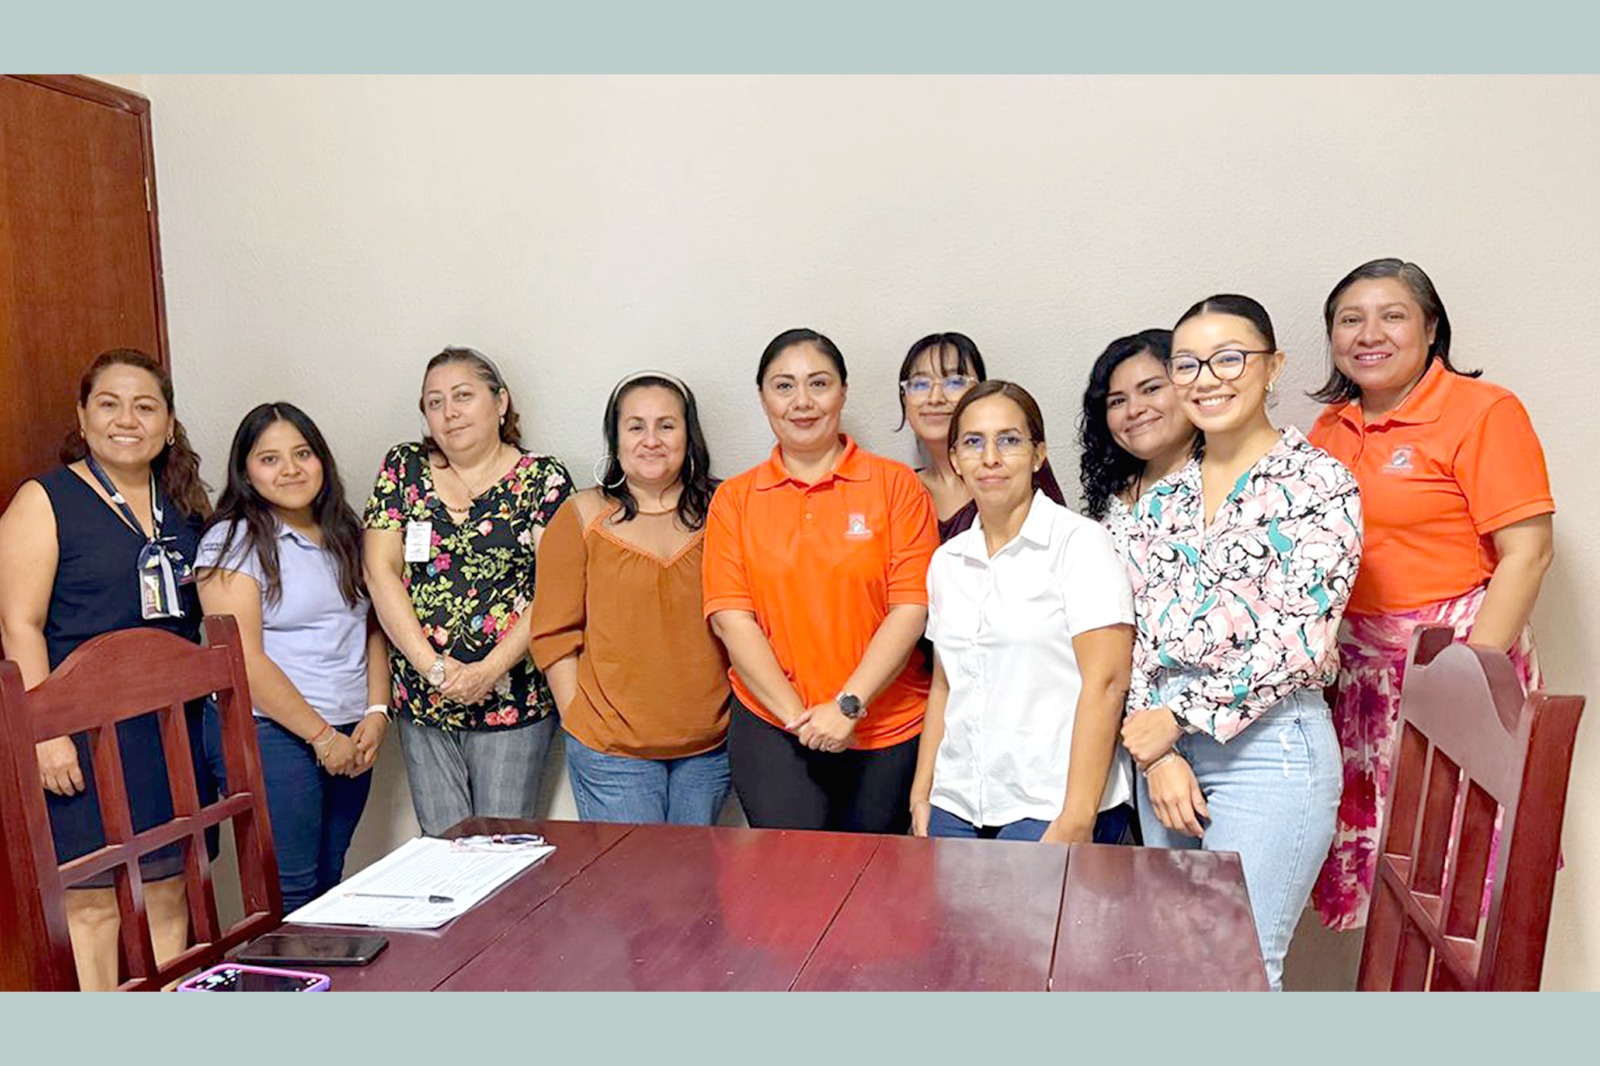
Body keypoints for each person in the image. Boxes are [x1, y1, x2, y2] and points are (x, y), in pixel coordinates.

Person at [1119, 295, 1361, 990]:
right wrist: (1156, 749)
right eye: (1187, 364)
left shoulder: (1320, 484)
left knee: (1233, 970)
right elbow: (1135, 634)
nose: (1207, 380)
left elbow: (1298, 638)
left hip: (1270, 751)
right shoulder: (1160, 501)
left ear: (1272, 366)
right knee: (1174, 967)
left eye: (1229, 359)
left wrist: (1178, 718)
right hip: (1165, 757)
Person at [1306, 259, 1555, 932]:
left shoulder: (1483, 411)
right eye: (1350, 320)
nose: (1369, 334)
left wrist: (1468, 678)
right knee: (1388, 874)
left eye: (1392, 316)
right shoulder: (1329, 429)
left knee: (1460, 874)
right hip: (1361, 680)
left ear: (1431, 328)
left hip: (1457, 661)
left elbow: (1528, 554)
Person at [0, 348, 216, 991]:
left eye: (145, 406)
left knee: (171, 889)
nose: (127, 419)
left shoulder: (184, 504)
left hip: (172, 729)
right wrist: (43, 733)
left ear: (168, 424)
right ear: (83, 416)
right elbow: (17, 624)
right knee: (93, 904)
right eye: (109, 404)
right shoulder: (45, 499)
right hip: (80, 738)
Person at [704, 328, 938, 833]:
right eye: (784, 386)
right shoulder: (734, 501)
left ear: (843, 392)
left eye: (819, 383)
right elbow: (731, 619)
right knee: (791, 876)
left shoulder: (896, 486)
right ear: (763, 397)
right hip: (773, 727)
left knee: (875, 876)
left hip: (886, 729)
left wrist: (848, 706)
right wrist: (800, 719)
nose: (802, 402)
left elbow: (910, 608)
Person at [910, 380, 1135, 843]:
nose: (990, 458)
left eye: (1009, 440)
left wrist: (1076, 818)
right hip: (956, 802)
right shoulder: (947, 562)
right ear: (955, 458)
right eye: (974, 442)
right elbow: (946, 683)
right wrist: (922, 791)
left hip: (1052, 804)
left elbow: (1108, 684)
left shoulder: (1079, 544)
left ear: (1037, 455)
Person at [363, 347, 572, 836]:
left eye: (462, 396)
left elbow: (558, 588)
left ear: (501, 402)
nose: (449, 412)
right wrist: (433, 668)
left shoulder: (542, 479)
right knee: (444, 849)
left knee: (504, 848)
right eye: (434, 402)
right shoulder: (404, 468)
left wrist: (487, 671)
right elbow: (379, 570)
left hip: (512, 696)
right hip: (423, 697)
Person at [196, 403, 390, 912]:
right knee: (290, 890)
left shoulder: (345, 532)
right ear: (246, 472)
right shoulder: (231, 541)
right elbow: (242, 658)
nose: (290, 469)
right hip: (271, 733)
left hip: (349, 730)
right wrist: (322, 737)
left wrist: (376, 712)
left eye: (302, 454)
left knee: (330, 880)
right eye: (270, 459)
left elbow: (372, 626)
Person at [530, 372, 731, 824]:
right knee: (632, 870)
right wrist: (577, 715)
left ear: (689, 436)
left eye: (667, 425)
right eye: (636, 426)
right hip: (611, 752)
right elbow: (553, 632)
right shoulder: (581, 516)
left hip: (709, 748)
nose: (651, 440)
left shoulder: (725, 512)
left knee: (694, 870)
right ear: (615, 438)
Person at [895, 331, 1066, 541]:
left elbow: (1060, 540)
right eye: (920, 384)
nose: (935, 398)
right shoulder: (899, 487)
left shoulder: (1015, 466)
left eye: (955, 382)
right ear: (904, 399)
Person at [1077, 329, 1199, 554]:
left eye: (1151, 389)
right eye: (1117, 401)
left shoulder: (1233, 482)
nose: (1134, 410)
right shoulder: (1111, 497)